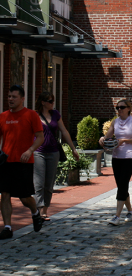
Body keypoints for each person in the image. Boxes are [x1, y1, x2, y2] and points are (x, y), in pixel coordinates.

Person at [0, 85, 45, 239]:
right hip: (5, 162)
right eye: (9, 96)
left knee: (24, 197)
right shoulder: (3, 116)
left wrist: (29, 150)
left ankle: (35, 212)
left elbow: (40, 137)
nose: (10, 99)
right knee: (4, 194)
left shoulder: (30, 115)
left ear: (22, 99)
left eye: (14, 97)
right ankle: (7, 227)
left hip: (24, 162)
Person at [33, 92, 79, 221]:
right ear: (43, 102)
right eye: (50, 101)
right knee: (39, 183)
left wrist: (73, 149)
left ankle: (45, 210)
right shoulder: (35, 116)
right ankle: (39, 210)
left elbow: (64, 131)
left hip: (53, 152)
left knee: (49, 183)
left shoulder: (55, 114)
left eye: (53, 101)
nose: (52, 103)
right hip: (38, 152)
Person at [99, 99, 132, 226]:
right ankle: (130, 211)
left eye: (122, 107)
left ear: (129, 108)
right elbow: (107, 136)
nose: (119, 110)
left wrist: (124, 140)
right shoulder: (115, 122)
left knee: (123, 184)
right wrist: (102, 139)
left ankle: (117, 216)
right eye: (117, 108)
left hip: (129, 156)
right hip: (116, 156)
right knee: (121, 186)